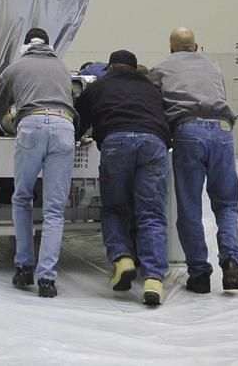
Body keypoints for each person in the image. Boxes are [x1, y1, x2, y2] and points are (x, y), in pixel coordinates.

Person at [0, 27, 76, 297]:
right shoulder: (62, 68)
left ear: (25, 47)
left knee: (22, 198)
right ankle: (47, 280)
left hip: (31, 125)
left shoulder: (15, 68)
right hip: (64, 127)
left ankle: (24, 268)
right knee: (54, 209)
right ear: (49, 46)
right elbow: (71, 101)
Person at [74, 49, 172, 307]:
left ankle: (123, 259)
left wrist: (76, 138)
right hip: (154, 143)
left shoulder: (99, 86)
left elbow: (78, 119)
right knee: (151, 214)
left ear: (110, 68)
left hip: (116, 141)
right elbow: (164, 115)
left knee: (115, 208)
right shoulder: (151, 88)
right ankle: (153, 281)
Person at [150, 27, 238, 294]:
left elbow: (154, 107)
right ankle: (231, 260)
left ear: (171, 48)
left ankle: (199, 274)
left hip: (188, 130)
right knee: (226, 204)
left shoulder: (161, 69)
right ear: (196, 47)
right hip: (222, 129)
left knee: (190, 206)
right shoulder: (214, 68)